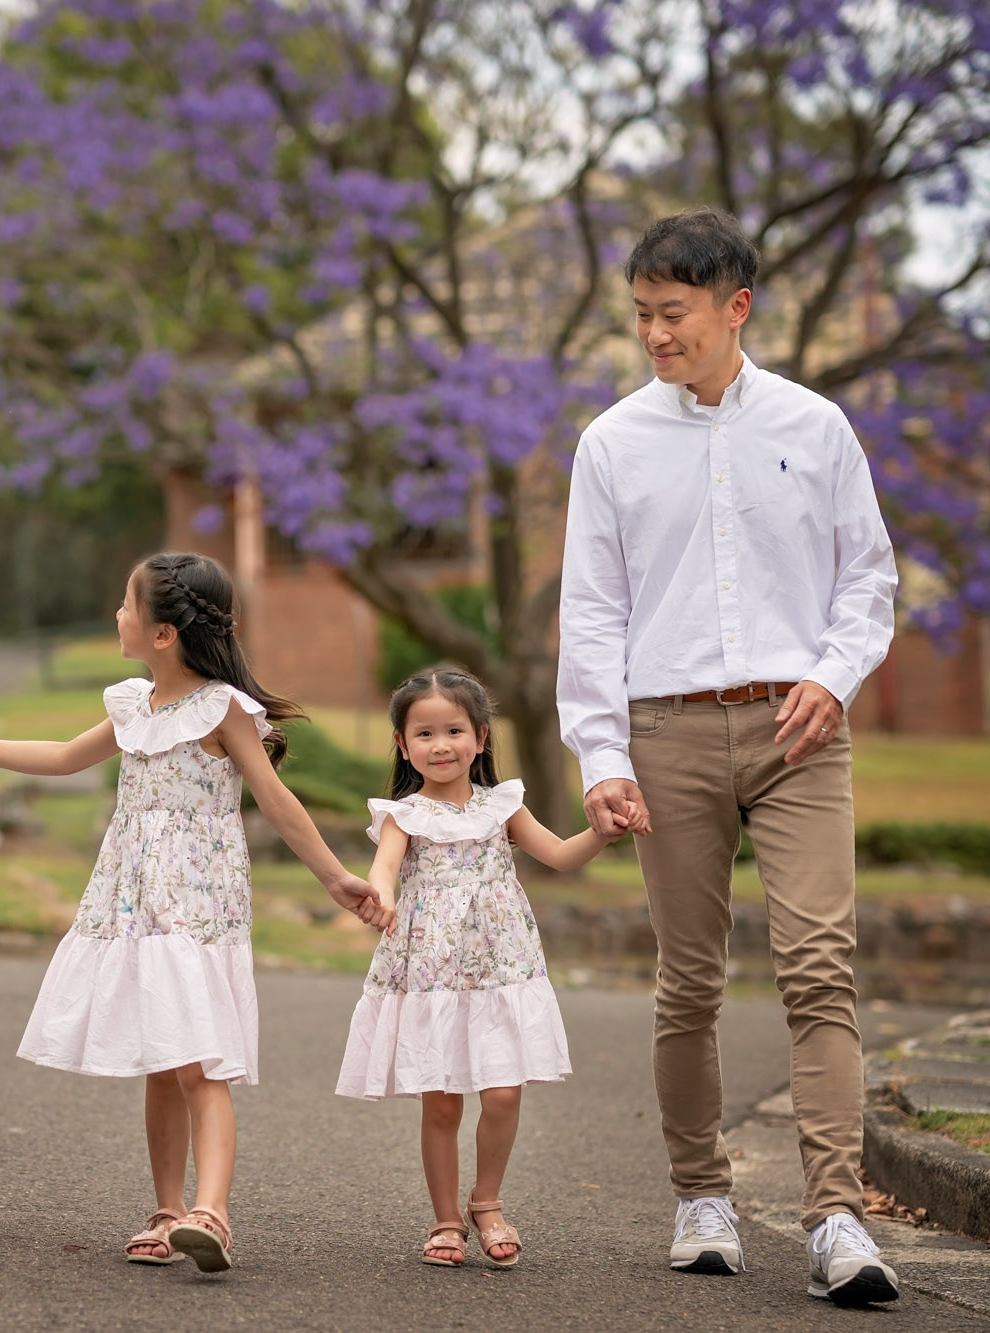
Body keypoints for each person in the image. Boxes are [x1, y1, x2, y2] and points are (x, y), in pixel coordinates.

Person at [557, 207, 901, 1304]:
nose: (655, 334)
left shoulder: (817, 425)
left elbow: (868, 580)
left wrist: (830, 675)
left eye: (674, 314)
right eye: (642, 315)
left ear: (733, 306)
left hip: (800, 729)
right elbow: (593, 612)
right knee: (687, 980)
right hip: (665, 733)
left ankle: (836, 1219)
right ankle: (701, 1197)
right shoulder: (610, 443)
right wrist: (599, 754)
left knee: (816, 966)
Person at [0, 551, 382, 1274]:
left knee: (199, 1061)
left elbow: (276, 799)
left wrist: (334, 877)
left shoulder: (223, 708)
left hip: (197, 909)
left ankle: (213, 1212)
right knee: (162, 1062)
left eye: (128, 604)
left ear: (163, 632)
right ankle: (167, 1211)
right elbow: (68, 754)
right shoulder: (135, 703)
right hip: (133, 906)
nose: (117, 614)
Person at [336, 667, 617, 1269]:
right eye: (425, 734)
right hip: (432, 973)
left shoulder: (502, 807)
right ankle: (445, 1219)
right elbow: (385, 869)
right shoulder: (403, 816)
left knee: (503, 1092)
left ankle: (486, 1202)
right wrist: (377, 897)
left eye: (454, 731)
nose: (441, 746)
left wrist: (601, 833)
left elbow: (562, 856)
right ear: (403, 745)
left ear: (481, 737)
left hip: (500, 968)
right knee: (440, 1101)